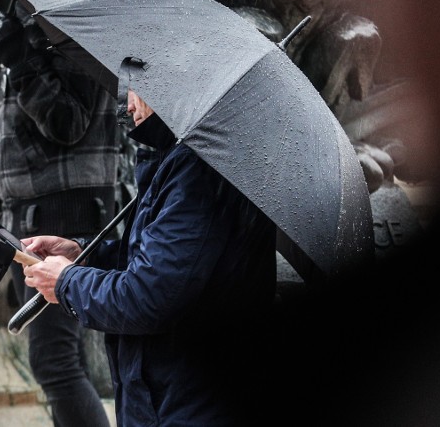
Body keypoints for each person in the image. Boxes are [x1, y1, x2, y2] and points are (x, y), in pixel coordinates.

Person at [23, 90, 277, 426]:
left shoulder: (196, 169)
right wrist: (84, 256)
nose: (128, 105)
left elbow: (149, 295)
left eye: (138, 89)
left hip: (188, 402)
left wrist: (68, 282)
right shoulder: (181, 160)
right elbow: (156, 260)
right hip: (174, 396)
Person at [0, 0, 118, 427]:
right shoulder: (19, 20)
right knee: (51, 363)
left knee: (56, 361)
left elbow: (69, 122)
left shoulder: (70, 22)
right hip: (25, 210)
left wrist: (20, 62)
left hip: (67, 210)